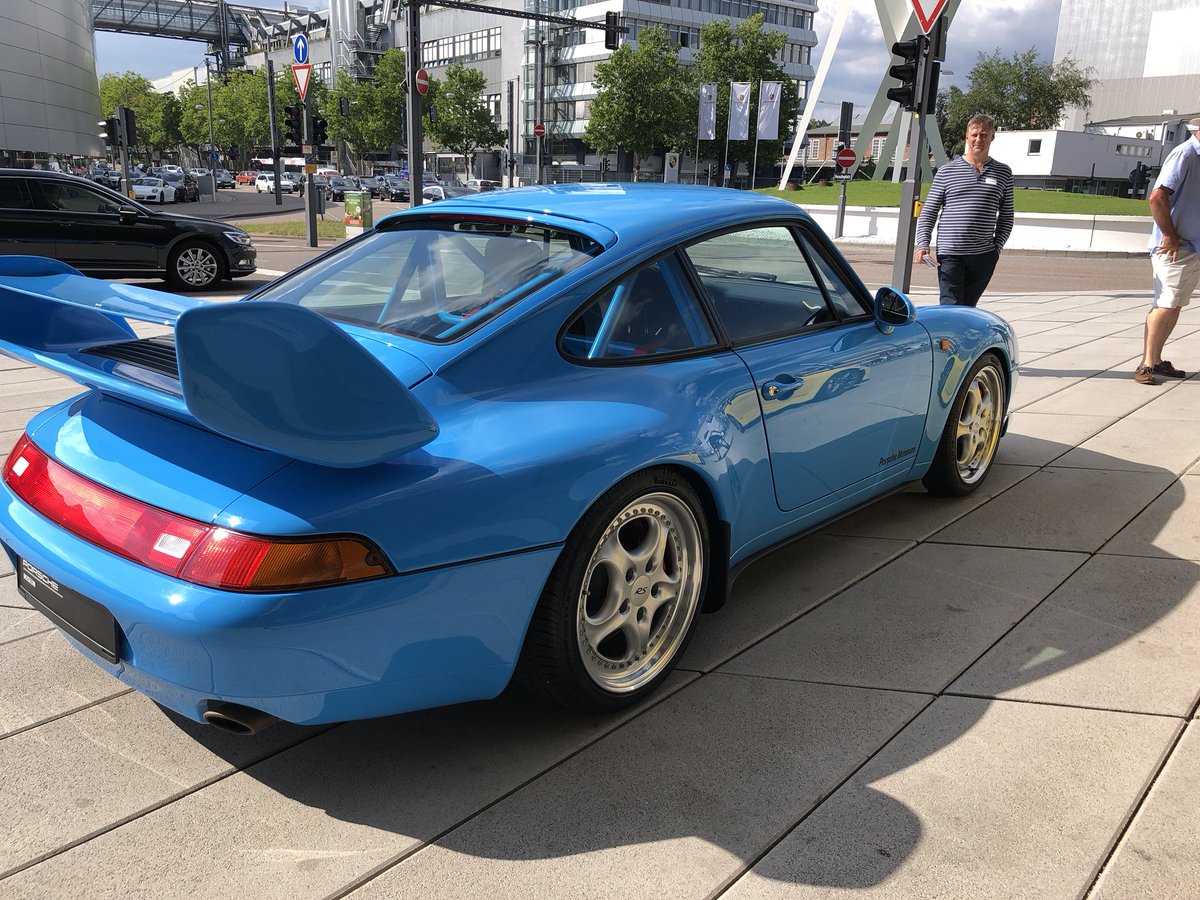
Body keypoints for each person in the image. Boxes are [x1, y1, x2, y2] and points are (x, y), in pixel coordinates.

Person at [915, 113, 1015, 307]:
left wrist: (996, 248)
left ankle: (960, 338)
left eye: (984, 135)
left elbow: (1007, 215)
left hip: (983, 255)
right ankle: (945, 339)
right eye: (975, 135)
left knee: (969, 308)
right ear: (966, 137)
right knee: (950, 306)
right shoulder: (947, 171)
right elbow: (929, 211)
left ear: (992, 137)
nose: (979, 139)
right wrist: (922, 244)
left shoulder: (1003, 172)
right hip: (951, 254)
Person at [1135, 118, 1200, 385]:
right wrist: (1170, 235)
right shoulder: (1185, 154)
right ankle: (1146, 364)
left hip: (1191, 246)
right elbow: (1157, 196)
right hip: (1175, 247)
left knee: (1174, 305)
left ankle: (1157, 360)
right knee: (1166, 303)